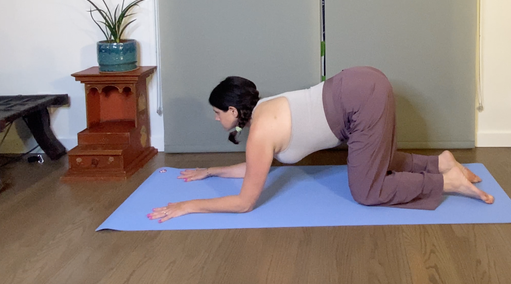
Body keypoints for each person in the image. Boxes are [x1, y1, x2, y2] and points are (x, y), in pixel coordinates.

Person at [148, 66, 493, 223]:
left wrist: (189, 206)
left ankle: (443, 182)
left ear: (233, 111)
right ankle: (439, 163)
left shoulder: (259, 135)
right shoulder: (265, 110)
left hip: (360, 100)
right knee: (375, 162)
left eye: (216, 112)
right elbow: (255, 168)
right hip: (361, 81)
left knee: (366, 191)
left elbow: (244, 203)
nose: (215, 118)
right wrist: (210, 171)